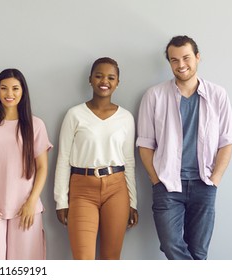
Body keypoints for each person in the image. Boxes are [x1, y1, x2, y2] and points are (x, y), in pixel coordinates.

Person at [137, 35, 232, 260]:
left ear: (198, 57)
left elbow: (226, 142)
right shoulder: (154, 96)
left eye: (186, 58)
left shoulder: (218, 95)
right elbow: (145, 144)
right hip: (168, 185)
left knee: (199, 252)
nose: (181, 65)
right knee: (171, 245)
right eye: (174, 60)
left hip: (204, 184)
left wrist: (215, 181)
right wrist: (156, 180)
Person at [54, 57, 138, 260]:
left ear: (118, 82)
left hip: (116, 190)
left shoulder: (125, 117)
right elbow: (63, 158)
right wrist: (60, 200)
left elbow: (129, 161)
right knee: (83, 260)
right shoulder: (74, 114)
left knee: (111, 259)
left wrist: (133, 202)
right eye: (99, 76)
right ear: (90, 79)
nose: (104, 81)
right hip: (82, 190)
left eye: (111, 77)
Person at [0, 68, 52, 260]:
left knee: (26, 263)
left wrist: (31, 202)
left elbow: (42, 168)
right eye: (4, 88)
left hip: (26, 206)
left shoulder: (35, 125)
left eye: (15, 88)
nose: (9, 94)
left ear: (23, 91)